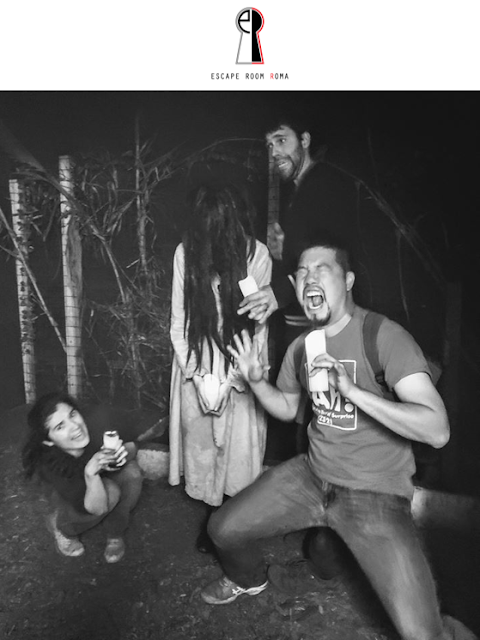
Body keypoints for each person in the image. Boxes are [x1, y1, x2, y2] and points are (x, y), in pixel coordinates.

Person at [200, 236, 477, 640]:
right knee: (223, 529)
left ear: (347, 280)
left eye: (321, 269)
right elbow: (289, 407)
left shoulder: (382, 336)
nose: (309, 278)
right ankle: (249, 579)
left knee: (422, 634)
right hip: (312, 476)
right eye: (301, 273)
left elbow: (437, 430)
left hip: (375, 492)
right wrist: (257, 381)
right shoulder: (302, 347)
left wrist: (354, 392)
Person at [168, 182, 272, 552]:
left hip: (241, 360)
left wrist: (230, 381)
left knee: (238, 449)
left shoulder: (256, 256)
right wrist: (197, 376)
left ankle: (231, 517)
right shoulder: (185, 254)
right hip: (197, 357)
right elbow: (178, 324)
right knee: (201, 444)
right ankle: (211, 514)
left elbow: (258, 329)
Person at [22, 392, 143, 563]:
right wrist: (91, 474)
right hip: (74, 495)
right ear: (48, 441)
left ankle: (115, 531)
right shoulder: (52, 466)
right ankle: (63, 528)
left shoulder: (96, 423)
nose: (75, 426)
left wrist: (119, 456)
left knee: (132, 473)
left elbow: (133, 445)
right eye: (60, 427)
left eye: (72, 414)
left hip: (98, 478)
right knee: (111, 492)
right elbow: (97, 508)